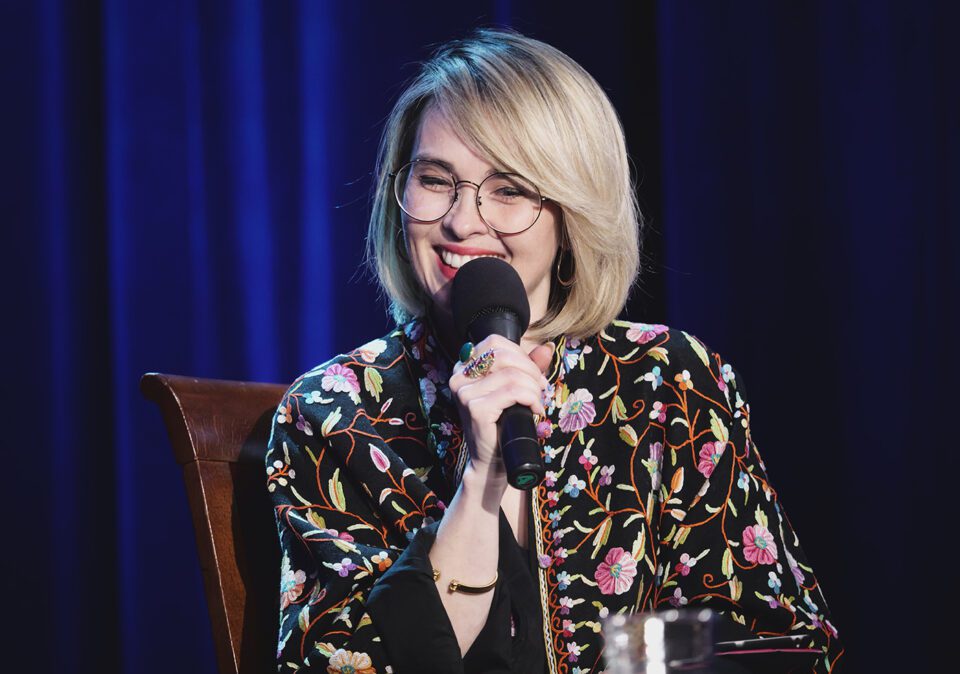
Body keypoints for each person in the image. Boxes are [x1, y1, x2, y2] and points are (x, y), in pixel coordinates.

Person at [266, 28, 842, 674]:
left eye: (509, 190)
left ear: (572, 214)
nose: (462, 221)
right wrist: (480, 482)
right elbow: (341, 664)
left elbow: (787, 644)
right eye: (435, 180)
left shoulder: (671, 383)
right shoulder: (334, 412)